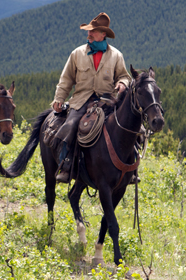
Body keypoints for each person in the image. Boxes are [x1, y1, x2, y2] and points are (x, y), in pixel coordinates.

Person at [51, 12, 131, 183]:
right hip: (81, 101)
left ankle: (131, 167)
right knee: (71, 125)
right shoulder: (77, 54)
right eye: (88, 31)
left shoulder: (116, 55)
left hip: (107, 101)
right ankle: (65, 165)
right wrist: (59, 98)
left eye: (92, 32)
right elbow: (66, 80)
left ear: (103, 34)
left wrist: (123, 84)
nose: (88, 34)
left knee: (126, 126)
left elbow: (124, 76)